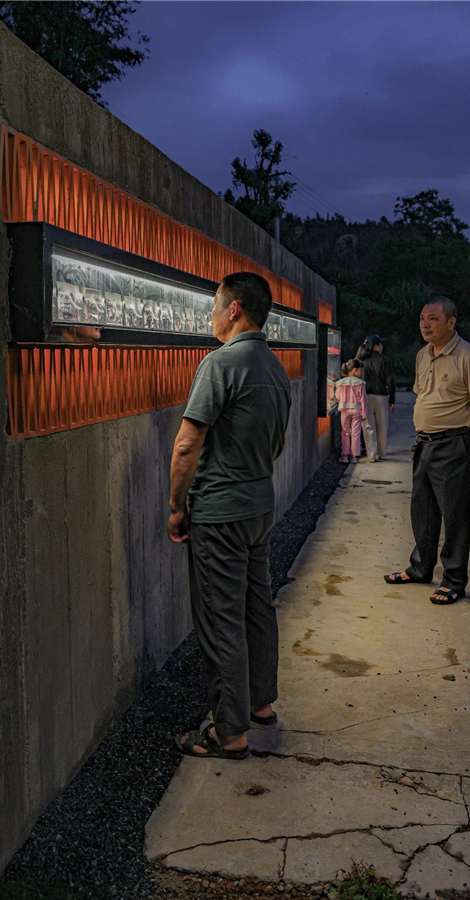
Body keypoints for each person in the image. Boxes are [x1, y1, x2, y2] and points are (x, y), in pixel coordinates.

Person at [167, 272, 291, 759]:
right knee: (256, 607)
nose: (212, 315)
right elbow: (277, 443)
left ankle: (229, 732)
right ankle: (260, 704)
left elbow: (186, 443)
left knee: (221, 618)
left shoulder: (221, 364)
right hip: (259, 505)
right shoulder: (274, 367)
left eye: (215, 306)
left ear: (234, 308)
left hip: (219, 512)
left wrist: (178, 508)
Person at [384, 298, 470, 605]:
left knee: (455, 514)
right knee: (422, 509)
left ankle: (454, 580)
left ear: (451, 322)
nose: (425, 324)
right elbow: (427, 397)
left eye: (433, 318)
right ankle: (421, 568)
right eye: (422, 318)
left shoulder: (469, 357)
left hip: (455, 446)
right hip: (424, 443)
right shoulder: (423, 355)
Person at [356, 334, 395, 461]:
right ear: (377, 346)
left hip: (365, 396)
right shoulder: (384, 360)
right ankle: (381, 453)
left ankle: (371, 454)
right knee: (382, 425)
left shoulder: (362, 361)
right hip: (381, 396)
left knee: (368, 425)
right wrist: (392, 398)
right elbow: (389, 380)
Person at [334, 359, 368, 463]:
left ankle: (344, 456)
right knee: (356, 433)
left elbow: (337, 396)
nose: (361, 372)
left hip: (344, 410)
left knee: (345, 433)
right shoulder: (360, 383)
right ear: (354, 370)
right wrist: (364, 413)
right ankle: (354, 456)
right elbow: (363, 399)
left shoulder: (341, 383)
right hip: (356, 410)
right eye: (360, 370)